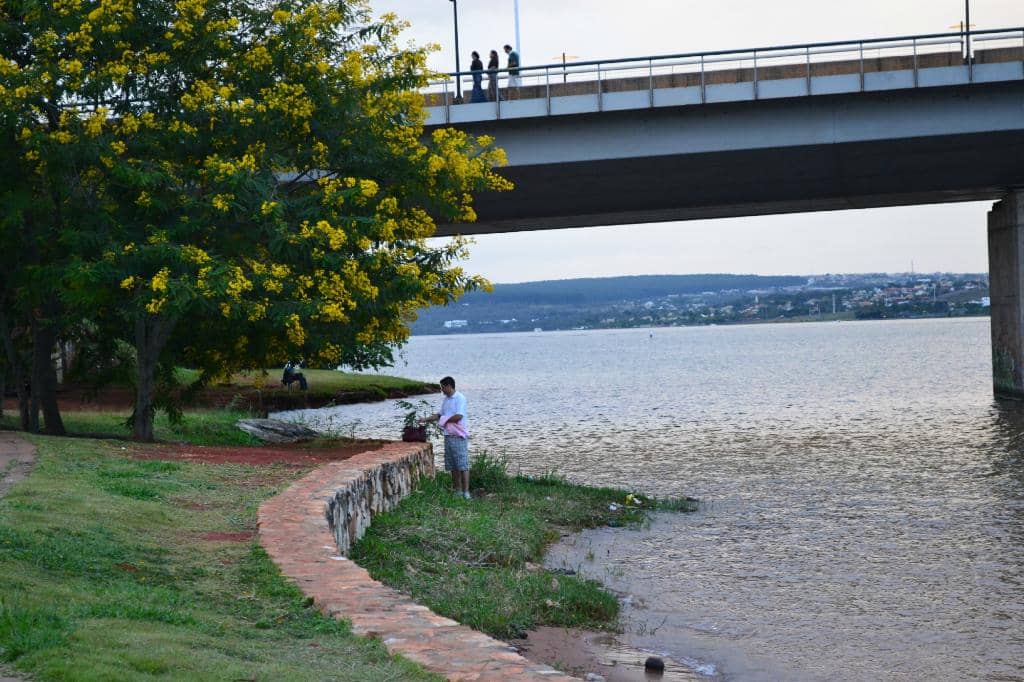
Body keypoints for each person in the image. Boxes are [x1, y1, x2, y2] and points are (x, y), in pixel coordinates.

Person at [422, 376, 471, 499]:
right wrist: (425, 419)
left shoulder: (460, 398)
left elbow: (459, 416)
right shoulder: (446, 400)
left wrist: (444, 420)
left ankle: (466, 492)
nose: (442, 390)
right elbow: (439, 415)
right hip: (448, 436)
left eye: (443, 387)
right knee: (452, 465)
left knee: (463, 465)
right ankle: (458, 491)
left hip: (458, 436)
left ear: (449, 386)